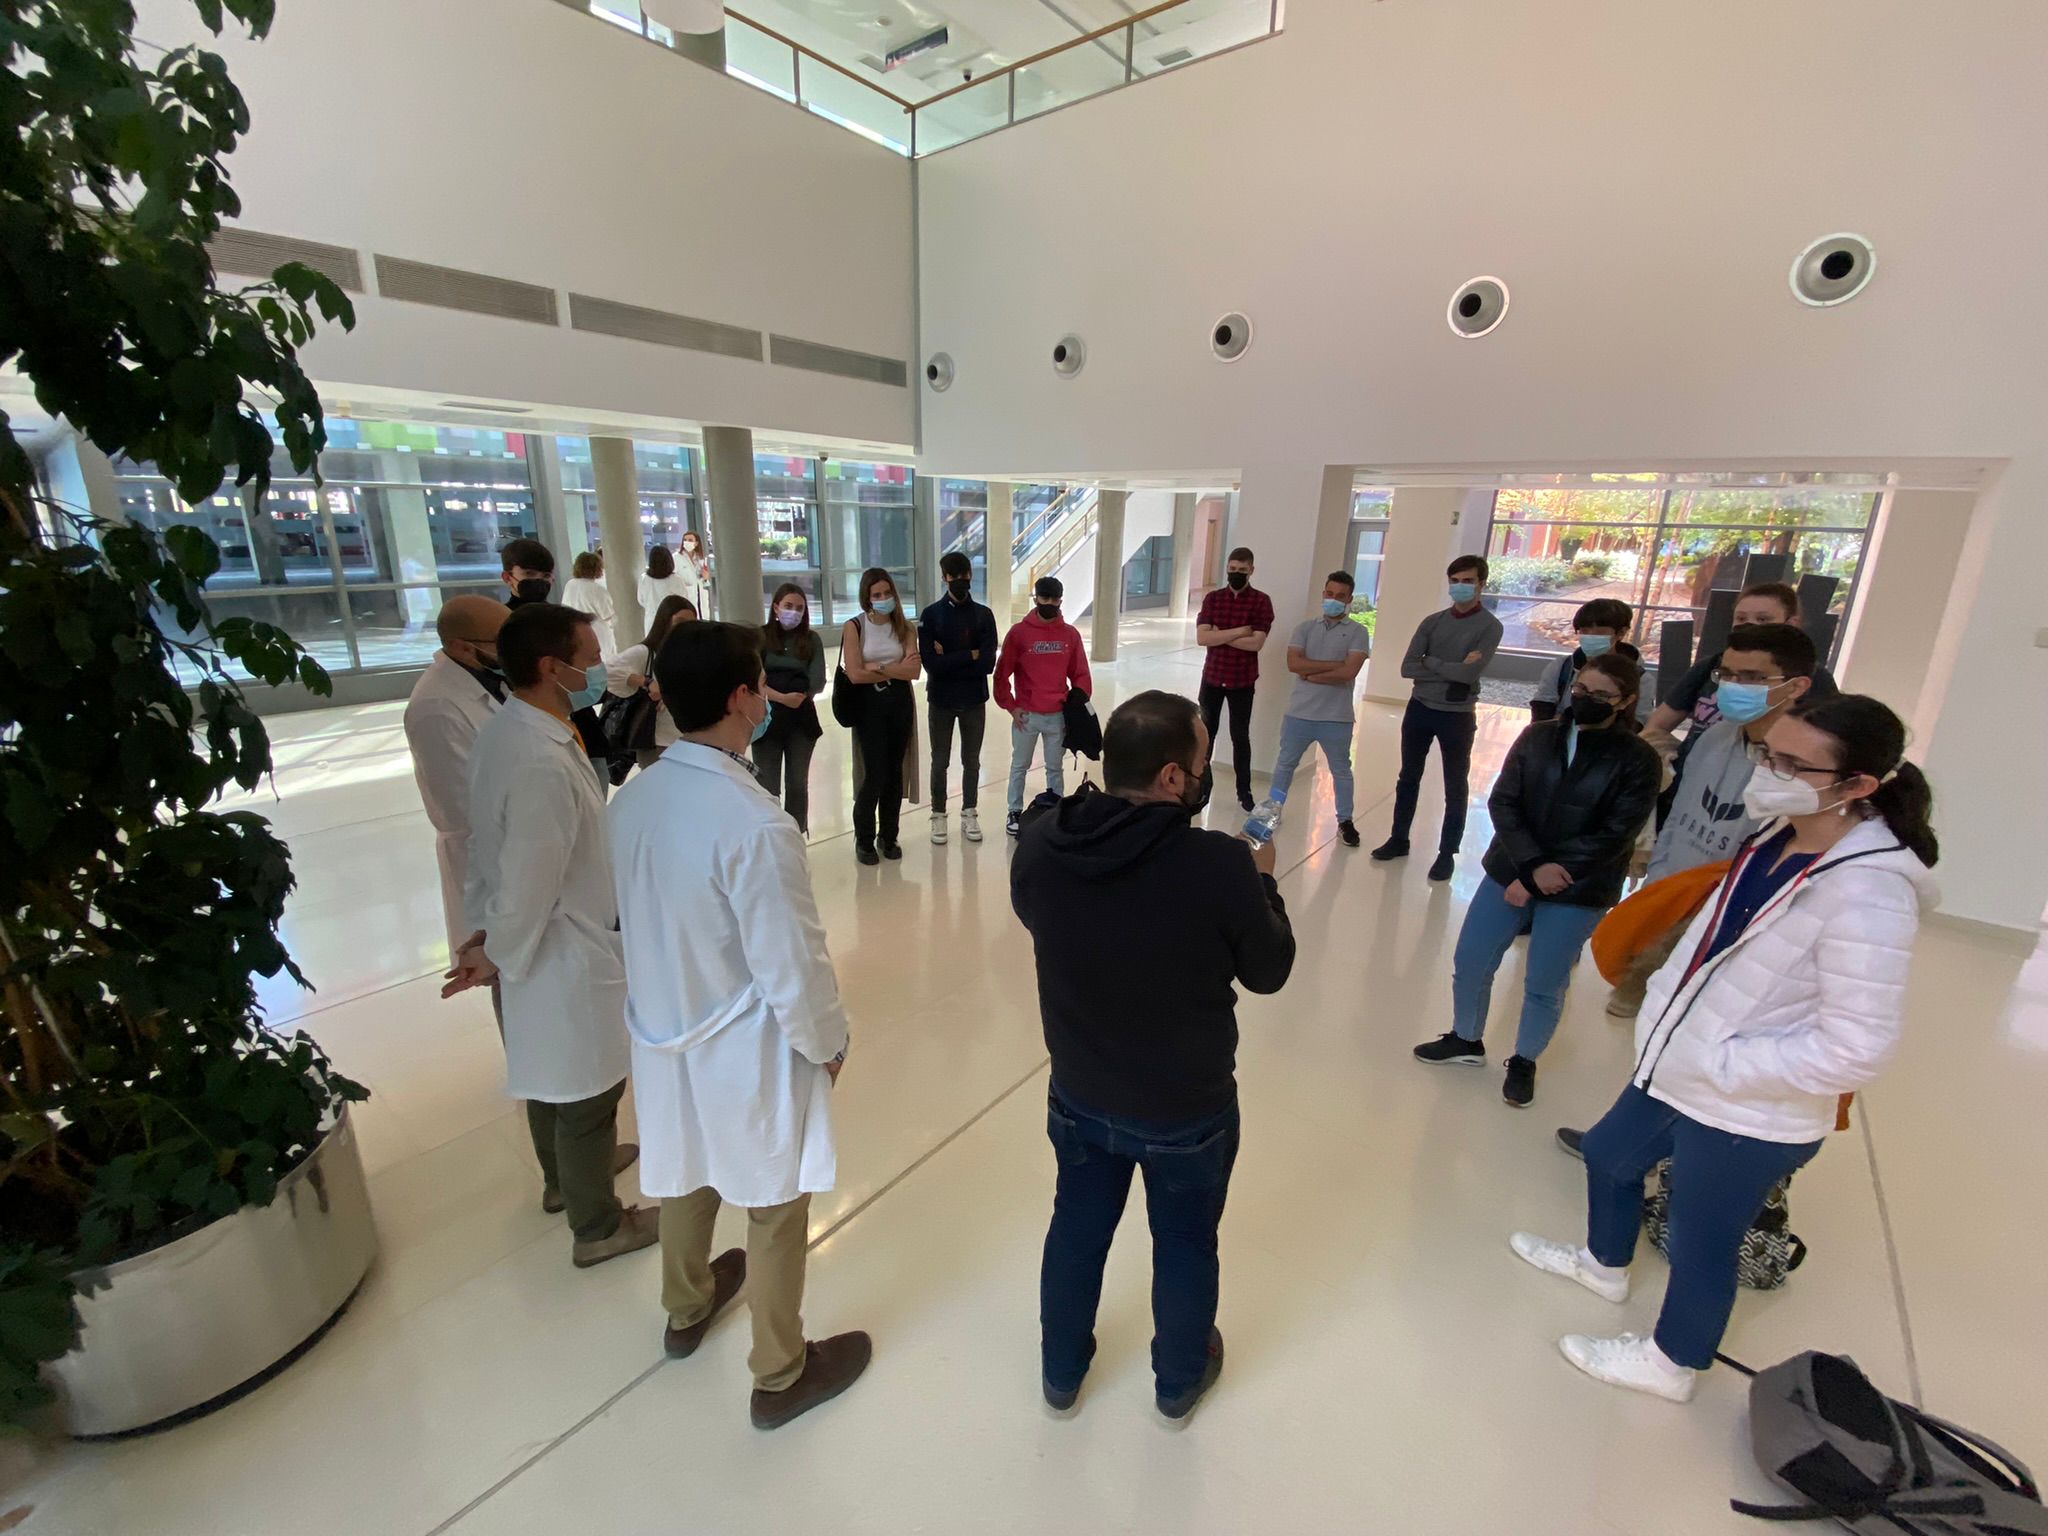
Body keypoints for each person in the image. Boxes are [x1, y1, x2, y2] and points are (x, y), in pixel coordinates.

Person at [1510, 693, 1937, 1403]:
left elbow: (1858, 1049)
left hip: (1747, 1106)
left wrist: (1724, 1065)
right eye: (1770, 754)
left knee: (1700, 1241)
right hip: (1681, 1065)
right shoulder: (1778, 835)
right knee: (1610, 1154)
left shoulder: (1869, 895)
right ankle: (1602, 1265)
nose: (1769, 772)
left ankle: (1671, 1365)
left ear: (1858, 784)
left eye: (1794, 765)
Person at [608, 621, 871, 1431]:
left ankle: (686, 1305)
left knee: (683, 1165)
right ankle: (780, 1371)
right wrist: (827, 1043)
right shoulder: (753, 821)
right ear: (741, 699)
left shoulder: (634, 798)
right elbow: (792, 960)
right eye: (759, 684)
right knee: (773, 1199)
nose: (763, 697)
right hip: (743, 1041)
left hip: (663, 1027)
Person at [1013, 691, 1296, 1426]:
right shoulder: (1221, 865)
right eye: (1202, 761)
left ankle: (1059, 1372)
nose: (1204, 774)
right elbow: (1268, 971)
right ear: (1173, 777)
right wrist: (1265, 879)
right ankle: (1177, 1383)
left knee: (1077, 1229)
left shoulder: (1042, 843)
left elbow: (1034, 913)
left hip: (1080, 1089)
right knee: (1185, 1243)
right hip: (1186, 1109)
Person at [443, 603, 658, 1268]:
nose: (599, 669)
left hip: (540, 936)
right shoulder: (540, 759)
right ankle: (598, 1227)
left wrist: (488, 937)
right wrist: (495, 951)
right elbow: (530, 875)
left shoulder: (515, 729)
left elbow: (493, 851)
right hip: (560, 942)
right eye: (589, 659)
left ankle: (565, 1180)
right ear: (550, 667)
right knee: (589, 1091)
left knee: (546, 1070)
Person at [1413, 654, 1661, 1107]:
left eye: (1601, 695)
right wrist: (1530, 868)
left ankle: (1524, 1060)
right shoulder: (1538, 736)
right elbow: (1504, 801)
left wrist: (1541, 877)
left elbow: (1616, 833)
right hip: (1510, 868)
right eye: (1581, 690)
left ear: (1625, 701)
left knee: (1544, 981)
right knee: (1472, 960)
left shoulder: (1639, 759)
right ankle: (1465, 1039)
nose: (1585, 699)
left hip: (1578, 888)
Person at [1373, 555, 1504, 881]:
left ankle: (1447, 853)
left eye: (1468, 581)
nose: (1460, 586)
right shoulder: (1432, 622)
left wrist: (1430, 661)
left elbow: (1469, 674)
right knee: (1408, 777)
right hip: (1420, 708)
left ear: (1481, 584)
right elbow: (1408, 667)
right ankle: (1399, 838)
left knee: (1455, 785)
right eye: (1455, 581)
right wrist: (1453, 667)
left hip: (1457, 716)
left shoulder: (1490, 627)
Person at [402, 595, 507, 964]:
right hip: (485, 859)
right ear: (463, 647)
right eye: (501, 642)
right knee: (499, 961)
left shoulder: (486, 681)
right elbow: (462, 807)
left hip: (512, 849)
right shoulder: (436, 707)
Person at [1648, 582, 1838, 740]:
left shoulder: (1814, 677)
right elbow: (1659, 723)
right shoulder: (1709, 666)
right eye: (1741, 618)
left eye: (1763, 619)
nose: (1749, 624)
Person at [1269, 571, 1371, 847]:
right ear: (1323, 594)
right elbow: (1293, 664)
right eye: (1330, 594)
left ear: (1349, 599)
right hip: (1298, 714)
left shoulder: (1358, 632)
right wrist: (1335, 665)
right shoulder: (1304, 629)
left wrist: (1312, 673)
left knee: (1341, 770)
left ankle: (1345, 821)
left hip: (1336, 718)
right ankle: (1273, 810)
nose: (1334, 599)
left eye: (1341, 596)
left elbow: (1349, 672)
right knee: (1285, 765)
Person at [994, 576, 1092, 839]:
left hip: (1057, 715)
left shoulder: (1070, 635)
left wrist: (1076, 707)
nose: (1049, 603)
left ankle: (1056, 810)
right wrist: (1011, 706)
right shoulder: (1019, 633)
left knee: (1054, 767)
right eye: (1044, 597)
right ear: (1035, 598)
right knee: (1020, 765)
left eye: (1054, 599)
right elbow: (1002, 673)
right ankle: (1014, 811)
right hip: (1026, 715)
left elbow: (1081, 674)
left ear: (1061, 600)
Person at [840, 568, 921, 865]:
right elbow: (855, 674)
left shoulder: (906, 628)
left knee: (894, 772)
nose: (883, 598)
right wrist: (893, 669)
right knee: (874, 773)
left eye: (887, 593)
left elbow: (914, 671)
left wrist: (879, 667)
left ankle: (889, 835)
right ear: (867, 598)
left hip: (899, 702)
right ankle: (864, 839)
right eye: (877, 594)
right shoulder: (854, 627)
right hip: (868, 706)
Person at [919, 550, 999, 846]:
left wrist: (950, 657)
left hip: (974, 699)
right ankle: (938, 813)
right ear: (944, 578)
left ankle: (969, 811)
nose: (959, 580)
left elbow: (987, 663)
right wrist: (969, 654)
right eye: (953, 576)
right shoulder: (931, 615)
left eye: (964, 575)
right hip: (941, 699)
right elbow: (931, 665)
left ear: (971, 575)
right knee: (939, 760)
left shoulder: (984, 615)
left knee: (972, 760)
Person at [1194, 547, 1275, 814]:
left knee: (1240, 737)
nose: (1236, 574)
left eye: (1241, 570)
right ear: (1226, 568)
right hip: (1212, 678)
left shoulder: (1261, 601)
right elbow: (1202, 638)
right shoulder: (1213, 599)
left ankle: (1244, 792)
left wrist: (1220, 635)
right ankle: (1200, 788)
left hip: (1242, 681)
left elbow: (1256, 644)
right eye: (1232, 569)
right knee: (1206, 735)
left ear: (1251, 570)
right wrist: (1241, 631)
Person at [754, 584, 826, 836]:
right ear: (776, 607)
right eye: (788, 606)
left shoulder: (811, 640)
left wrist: (793, 694)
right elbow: (753, 680)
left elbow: (817, 681)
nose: (793, 612)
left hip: (801, 721)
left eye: (799, 608)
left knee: (797, 784)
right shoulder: (760, 637)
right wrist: (782, 697)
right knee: (767, 785)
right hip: (766, 720)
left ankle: (795, 834)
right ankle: (770, 835)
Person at [606, 595, 698, 772]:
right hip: (657, 742)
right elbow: (607, 671)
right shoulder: (645, 653)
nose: (685, 629)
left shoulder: (691, 655)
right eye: (679, 622)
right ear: (665, 621)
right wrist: (646, 682)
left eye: (691, 623)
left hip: (689, 740)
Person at [1529, 599, 1636, 723]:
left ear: (1621, 633)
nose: (1591, 636)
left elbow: (1637, 721)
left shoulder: (1640, 677)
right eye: (1584, 631)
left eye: (1600, 632)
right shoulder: (1561, 667)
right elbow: (1542, 706)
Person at [561, 550, 617, 660]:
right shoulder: (598, 589)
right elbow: (608, 616)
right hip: (599, 635)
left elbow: (565, 607)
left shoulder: (570, 584)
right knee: (605, 662)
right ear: (597, 568)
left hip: (577, 633)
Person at [638, 543, 693, 622]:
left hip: (651, 620)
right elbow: (684, 601)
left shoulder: (644, 578)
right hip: (671, 620)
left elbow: (641, 600)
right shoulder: (676, 580)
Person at [500, 536, 555, 605]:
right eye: (529, 573)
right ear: (507, 578)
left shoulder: (560, 612)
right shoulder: (500, 612)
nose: (539, 580)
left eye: (546, 575)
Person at [677, 529, 714, 617]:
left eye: (690, 540)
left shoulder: (700, 558)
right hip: (686, 597)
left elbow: (703, 582)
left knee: (703, 618)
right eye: (685, 540)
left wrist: (706, 578)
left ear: (696, 543)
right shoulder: (676, 558)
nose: (687, 542)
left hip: (701, 598)